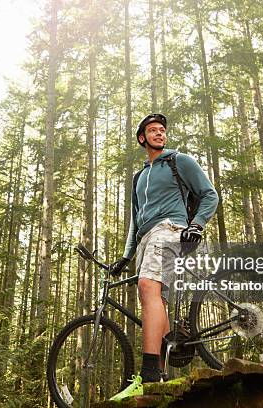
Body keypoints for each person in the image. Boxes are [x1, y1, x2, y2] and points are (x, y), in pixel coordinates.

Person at [109, 113, 219, 401]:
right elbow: (135, 221)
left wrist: (198, 224)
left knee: (147, 287)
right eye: (153, 130)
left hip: (172, 229)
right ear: (142, 138)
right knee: (155, 299)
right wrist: (125, 256)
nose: (160, 133)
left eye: (162, 130)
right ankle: (160, 379)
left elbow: (210, 195)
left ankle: (148, 375)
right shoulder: (139, 177)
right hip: (146, 238)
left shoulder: (178, 161)